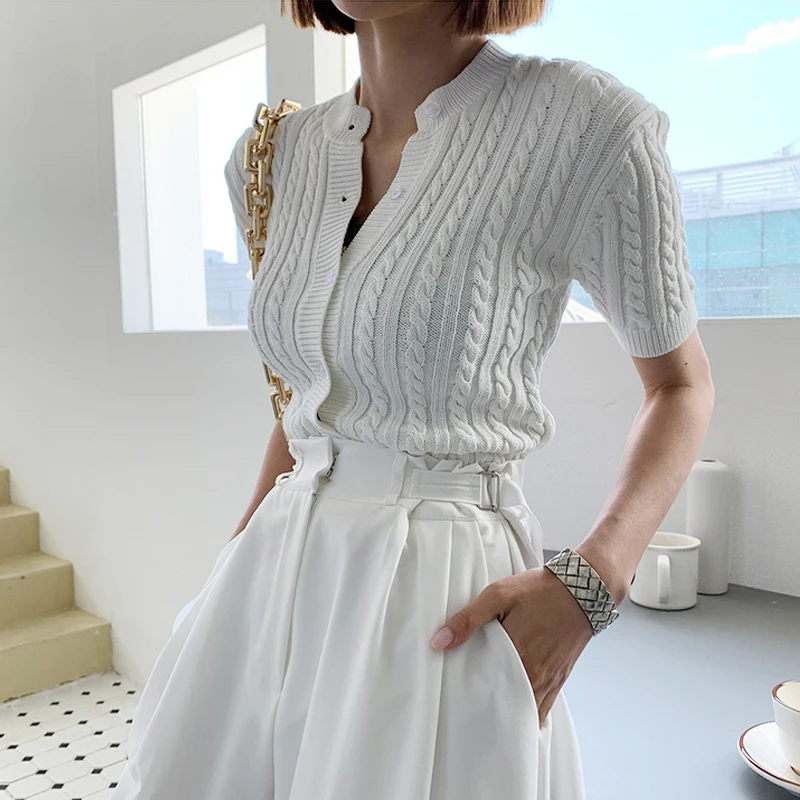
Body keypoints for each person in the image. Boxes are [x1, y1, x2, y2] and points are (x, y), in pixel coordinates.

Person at [110, 1, 715, 798]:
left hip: (439, 595)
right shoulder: (275, 155)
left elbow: (681, 385)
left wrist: (593, 583)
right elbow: (310, 406)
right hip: (272, 577)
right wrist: (235, 561)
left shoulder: (585, 124)